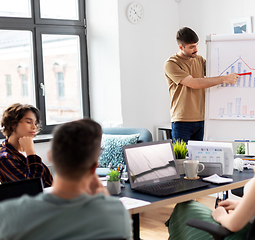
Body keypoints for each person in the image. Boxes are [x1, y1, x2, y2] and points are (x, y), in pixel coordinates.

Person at [165, 96, 255, 240]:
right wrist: (240, 204)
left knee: (184, 207)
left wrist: (221, 215)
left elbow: (234, 224)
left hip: (243, 233)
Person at [0, 119, 132, 240]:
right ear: (94, 168)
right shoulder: (117, 214)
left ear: (50, 157)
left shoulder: (10, 215)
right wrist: (105, 200)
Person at [164, 27, 239, 143]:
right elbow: (194, 83)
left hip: (202, 120)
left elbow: (217, 70)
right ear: (180, 47)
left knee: (198, 159)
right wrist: (224, 79)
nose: (196, 49)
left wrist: (215, 46)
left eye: (197, 45)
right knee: (181, 159)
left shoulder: (198, 59)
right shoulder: (171, 64)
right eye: (191, 47)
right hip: (181, 121)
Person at [0, 103, 53, 187]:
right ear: (13, 124)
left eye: (35, 123)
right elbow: (33, 187)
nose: (34, 127)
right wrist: (31, 153)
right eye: (28, 122)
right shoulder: (5, 158)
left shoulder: (24, 151)